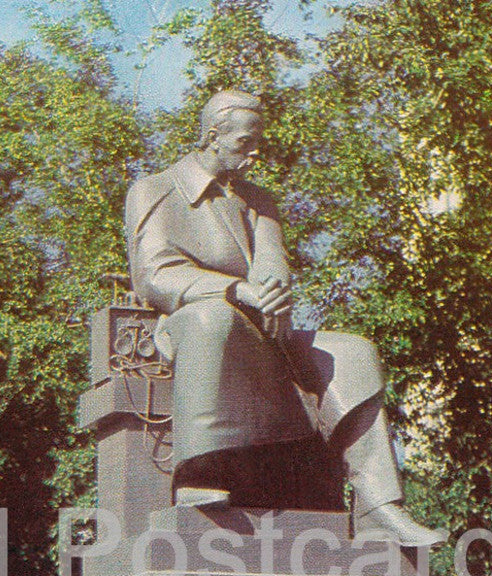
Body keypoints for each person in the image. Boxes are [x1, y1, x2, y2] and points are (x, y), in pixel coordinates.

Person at [125, 90, 443, 546]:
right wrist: (236, 290)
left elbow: (271, 260)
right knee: (213, 319)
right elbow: (154, 274)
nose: (256, 152)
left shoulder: (259, 200)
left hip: (264, 328)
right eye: (245, 142)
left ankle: (378, 506)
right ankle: (199, 470)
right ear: (213, 136)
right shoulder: (154, 190)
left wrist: (272, 290)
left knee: (353, 352)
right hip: (191, 324)